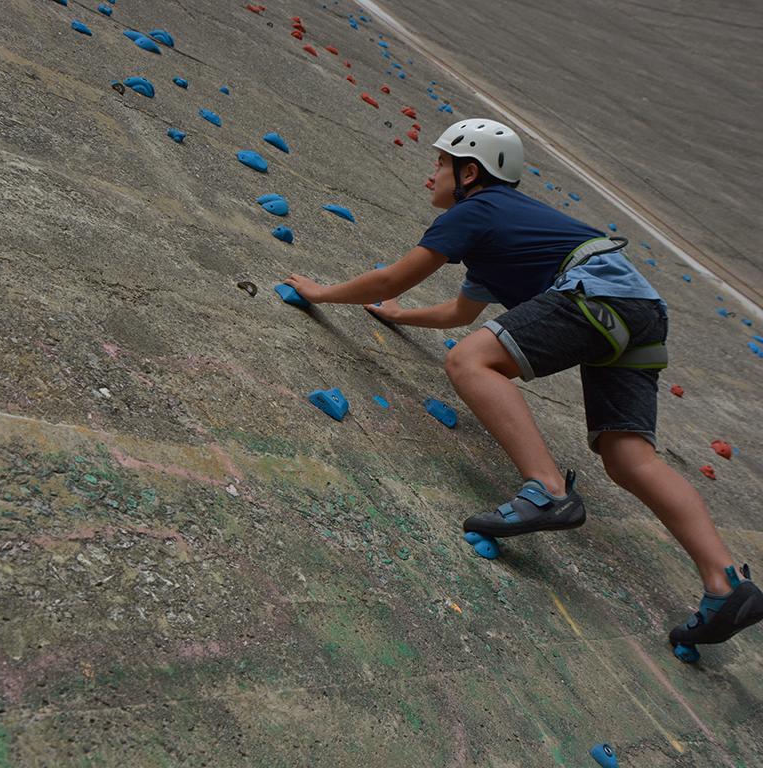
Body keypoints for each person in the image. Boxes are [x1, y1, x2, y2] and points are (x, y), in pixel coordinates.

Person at [283, 118, 762, 656]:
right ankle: (727, 586)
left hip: (595, 294)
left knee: (470, 362)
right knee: (629, 457)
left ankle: (549, 491)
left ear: (469, 172)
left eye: (440, 164)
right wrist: (396, 316)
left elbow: (395, 276)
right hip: (639, 308)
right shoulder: (507, 232)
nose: (431, 174)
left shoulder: (476, 211)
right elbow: (455, 311)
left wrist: (323, 293)